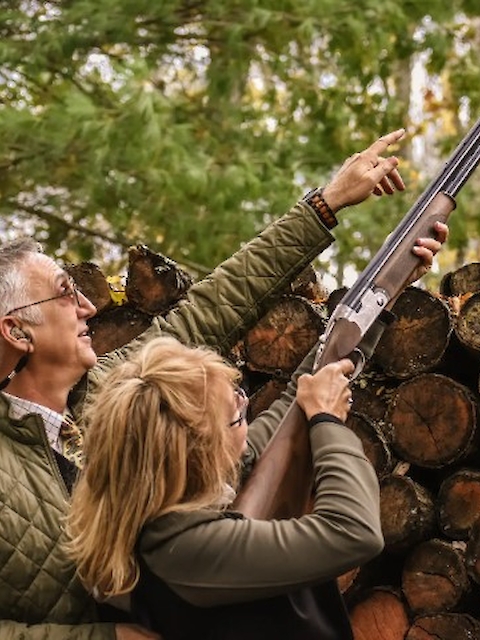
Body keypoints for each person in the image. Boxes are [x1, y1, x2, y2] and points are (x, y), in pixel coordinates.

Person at [0, 128, 446, 638]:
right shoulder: (133, 396)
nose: (84, 305)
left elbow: (216, 304)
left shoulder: (118, 386)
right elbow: (351, 533)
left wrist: (330, 215)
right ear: (16, 329)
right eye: (63, 292)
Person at [63, 337, 371, 638]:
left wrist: (360, 325)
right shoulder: (184, 549)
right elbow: (353, 531)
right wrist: (327, 420)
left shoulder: (153, 504)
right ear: (202, 457)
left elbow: (292, 402)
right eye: (236, 416)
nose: (244, 408)